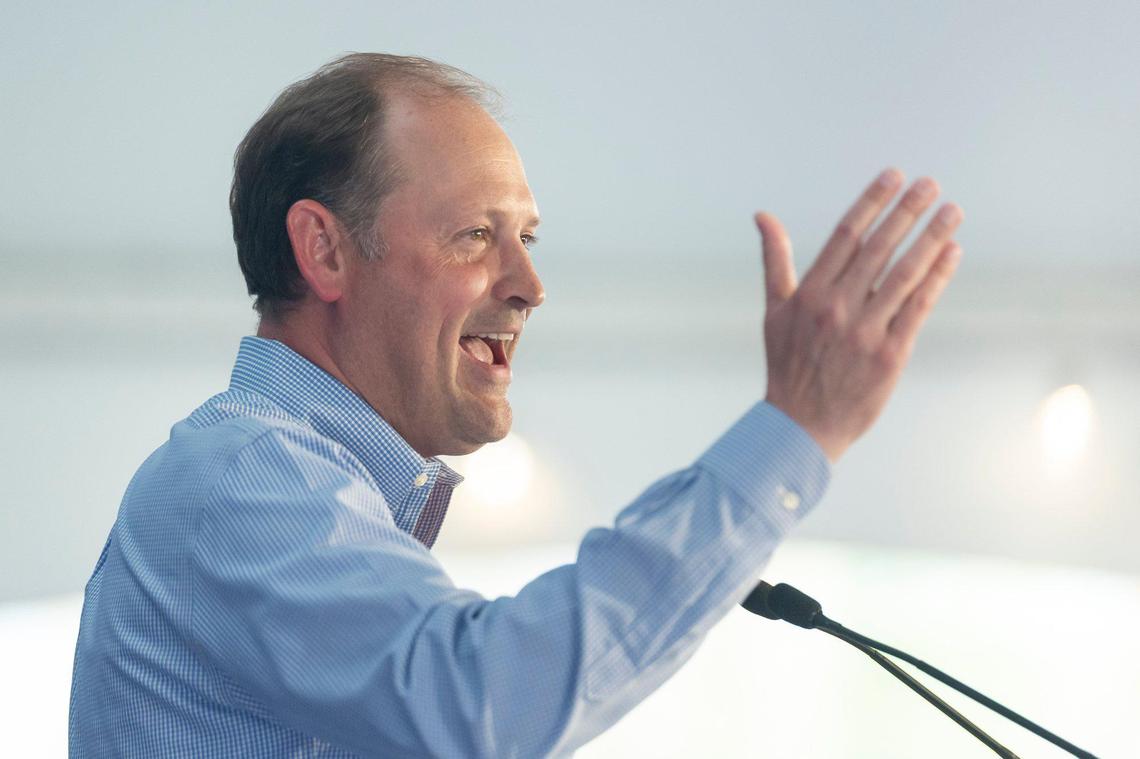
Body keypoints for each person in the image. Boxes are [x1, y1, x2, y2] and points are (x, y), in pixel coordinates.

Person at [69, 53, 963, 757]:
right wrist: (793, 430)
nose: (530, 284)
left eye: (526, 237)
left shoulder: (293, 491)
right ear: (326, 251)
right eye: (474, 235)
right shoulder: (241, 476)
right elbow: (480, 702)